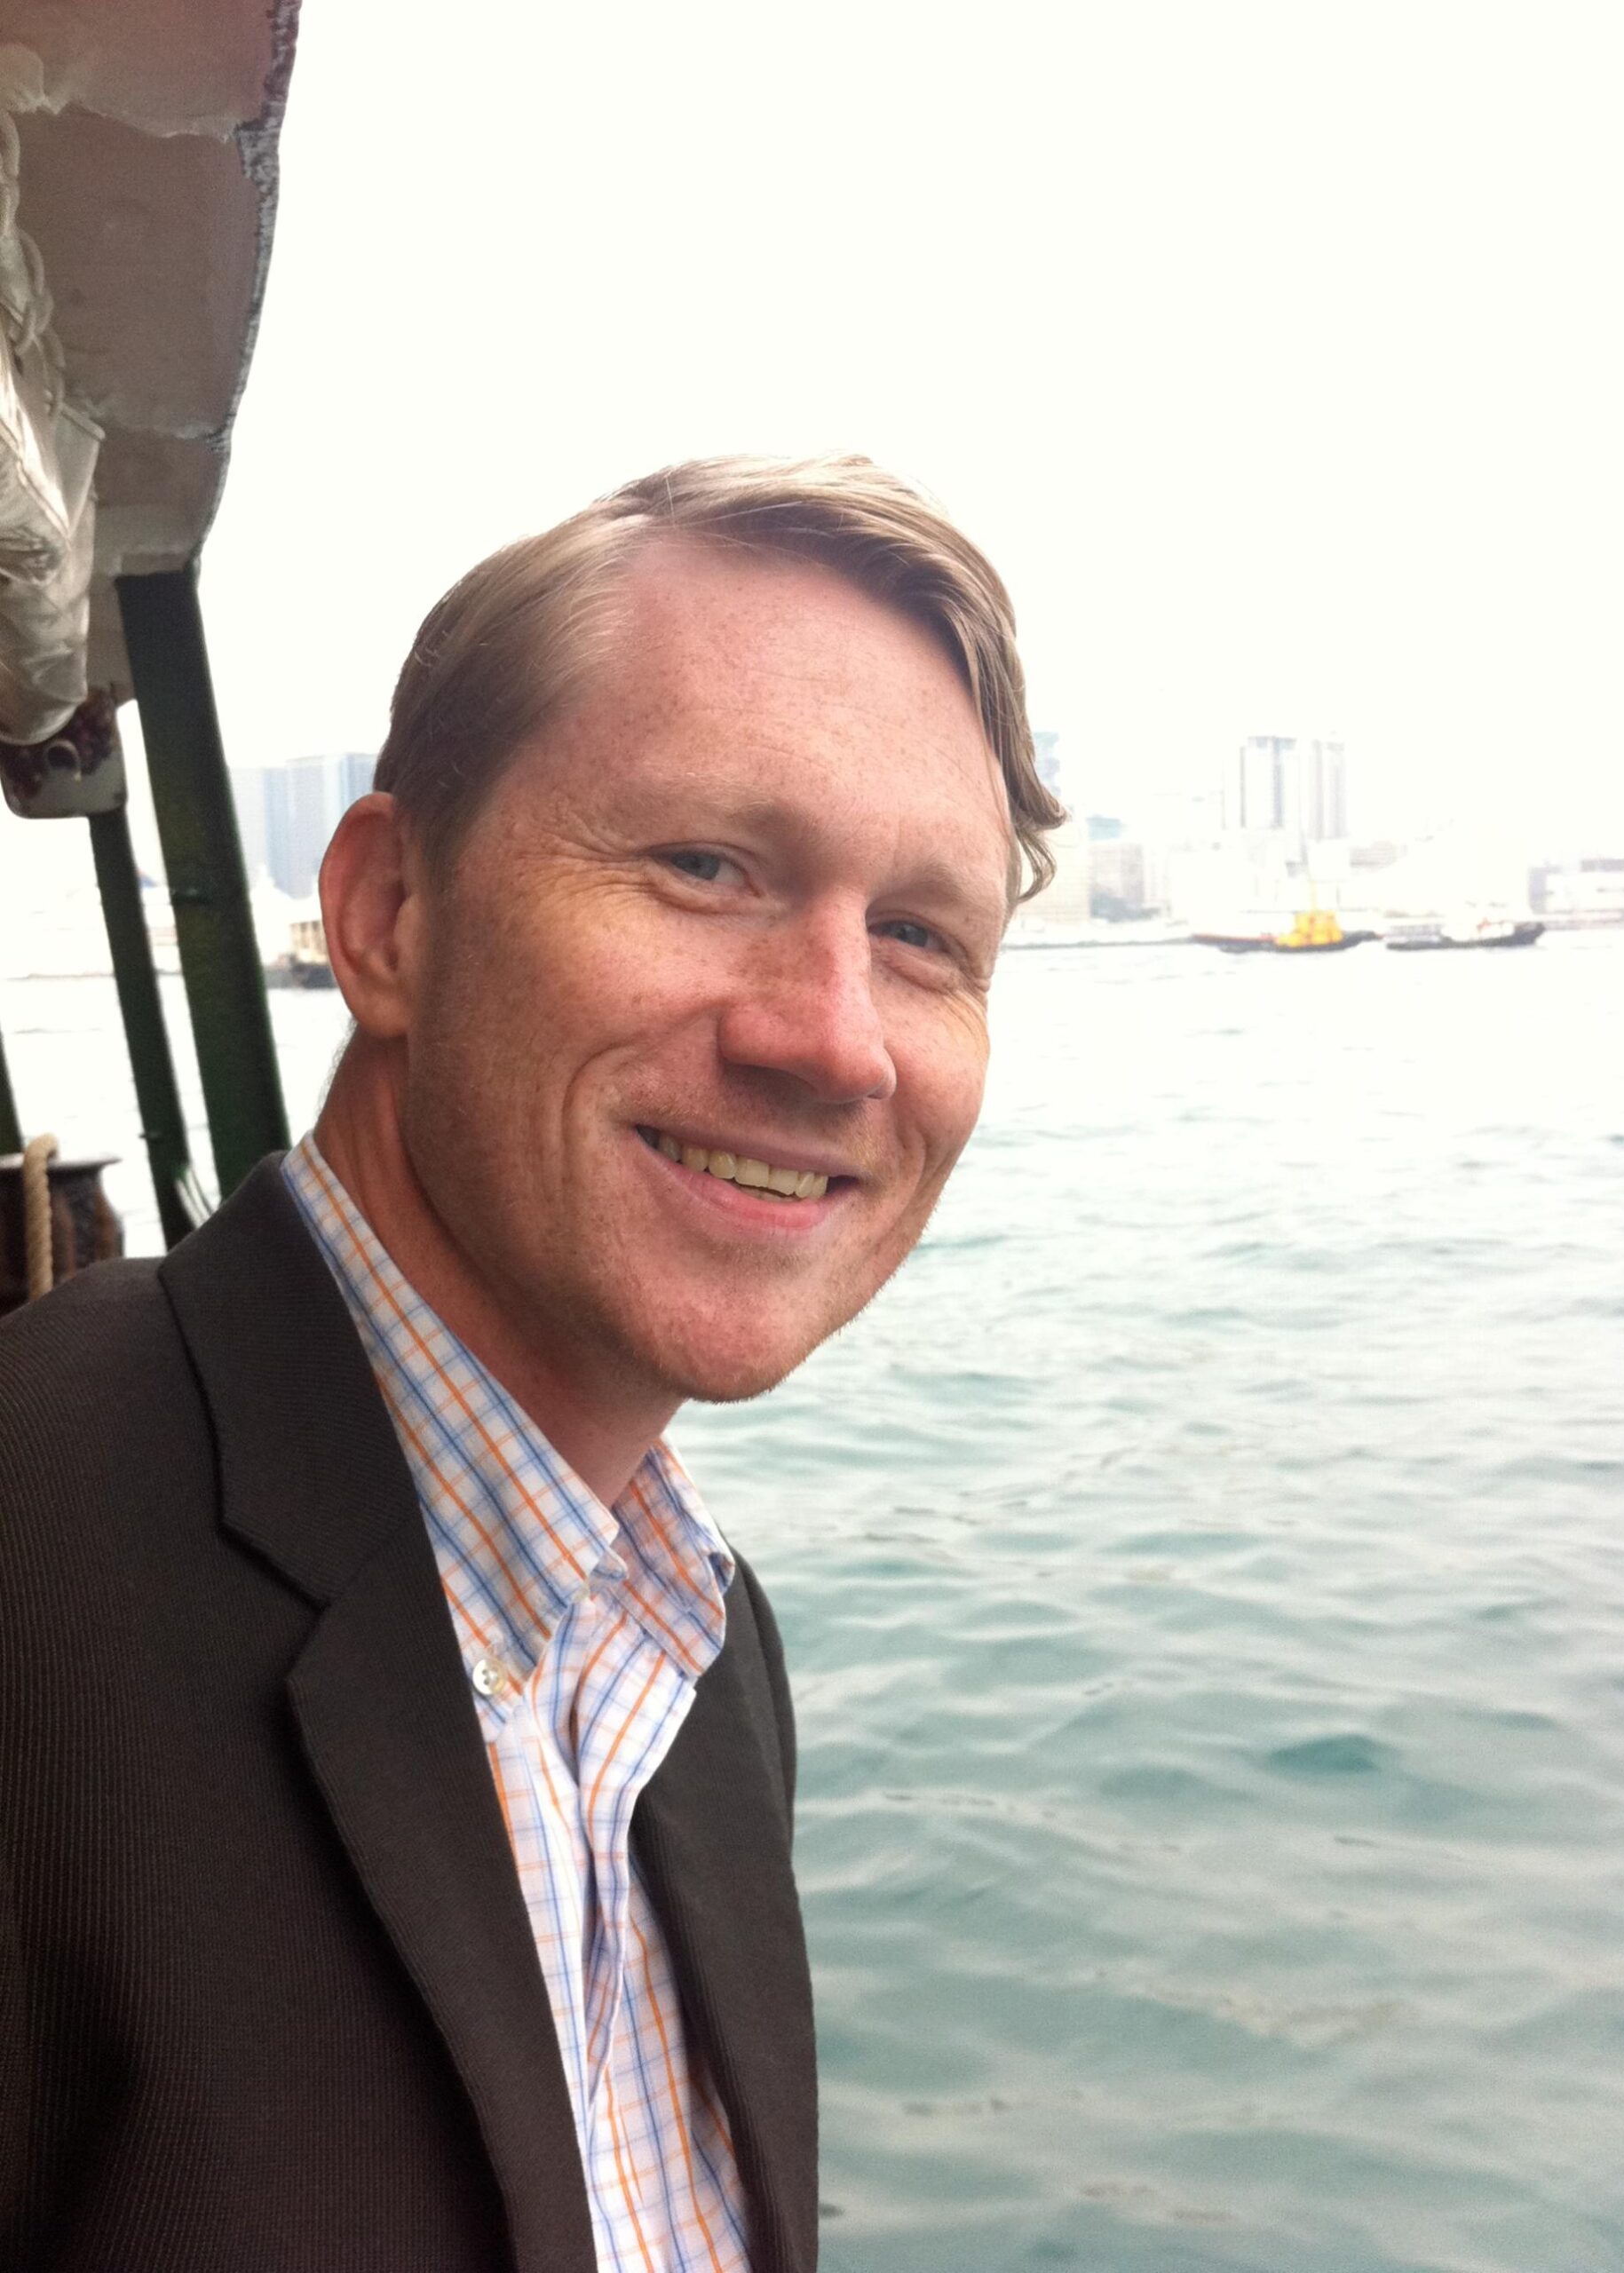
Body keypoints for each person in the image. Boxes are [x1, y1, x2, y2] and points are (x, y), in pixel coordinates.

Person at [0, 455, 1062, 2272]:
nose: (834, 1039)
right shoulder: (31, 1551)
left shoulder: (700, 1645)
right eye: (705, 864)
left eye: (918, 938)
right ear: (391, 914)